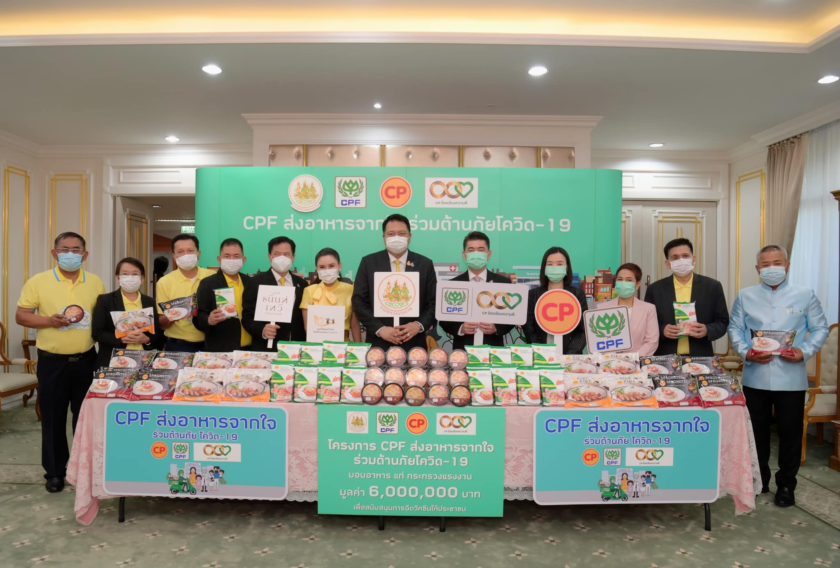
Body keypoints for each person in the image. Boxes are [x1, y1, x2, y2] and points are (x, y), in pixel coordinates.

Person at [728, 244, 828, 507]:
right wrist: (747, 352)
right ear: (757, 268)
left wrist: (804, 351)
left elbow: (820, 328)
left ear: (787, 265)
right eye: (766, 264)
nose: (771, 268)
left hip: (791, 377)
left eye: (777, 263)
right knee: (756, 432)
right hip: (755, 376)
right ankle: (758, 479)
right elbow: (735, 329)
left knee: (790, 434)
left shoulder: (805, 295)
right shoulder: (746, 295)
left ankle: (786, 485)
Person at [15, 231, 105, 493]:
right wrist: (48, 321)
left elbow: (101, 319)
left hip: (86, 360)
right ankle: (55, 472)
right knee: (53, 418)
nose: (70, 254)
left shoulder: (95, 282)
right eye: (65, 249)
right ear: (55, 253)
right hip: (52, 362)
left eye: (76, 250)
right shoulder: (38, 281)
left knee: (85, 418)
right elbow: (21, 315)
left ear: (85, 255)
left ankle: (83, 470)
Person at [352, 214, 437, 350]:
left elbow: (434, 302)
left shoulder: (424, 264)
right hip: (378, 343)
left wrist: (418, 325)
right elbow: (359, 301)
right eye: (391, 234)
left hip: (414, 344)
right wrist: (380, 329)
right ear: (384, 237)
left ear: (410, 237)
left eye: (402, 233)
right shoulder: (369, 263)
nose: (396, 237)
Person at [644, 237, 729, 356]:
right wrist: (662, 330)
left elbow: (723, 322)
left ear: (693, 259)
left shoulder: (712, 287)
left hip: (701, 357)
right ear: (668, 264)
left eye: (685, 256)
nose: (681, 260)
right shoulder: (655, 289)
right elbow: (646, 323)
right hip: (665, 357)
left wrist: (707, 330)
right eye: (675, 257)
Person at [440, 231, 513, 350]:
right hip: (462, 352)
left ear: (489, 254)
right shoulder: (452, 285)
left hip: (494, 350)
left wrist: (496, 328)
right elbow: (444, 320)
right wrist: (461, 328)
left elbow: (512, 317)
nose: (476, 253)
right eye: (471, 250)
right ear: (464, 255)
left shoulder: (503, 283)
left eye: (481, 249)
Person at [91, 257, 159, 369]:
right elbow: (97, 333)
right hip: (113, 362)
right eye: (125, 274)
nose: (130, 277)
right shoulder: (105, 300)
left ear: (142, 279)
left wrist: (147, 340)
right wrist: (121, 338)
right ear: (118, 278)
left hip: (144, 362)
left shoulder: (149, 302)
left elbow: (157, 333)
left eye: (135, 274)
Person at [242, 236, 307, 350]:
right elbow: (247, 318)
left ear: (293, 257)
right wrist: (262, 330)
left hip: (296, 348)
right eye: (277, 254)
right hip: (266, 349)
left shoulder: (302, 284)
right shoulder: (255, 282)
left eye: (286, 254)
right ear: (270, 256)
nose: (282, 258)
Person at [155, 233, 214, 352]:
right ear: (174, 255)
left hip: (211, 343)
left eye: (190, 251)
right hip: (177, 346)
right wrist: (172, 316)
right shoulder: (164, 282)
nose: (186, 255)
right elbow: (162, 323)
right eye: (180, 251)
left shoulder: (212, 276)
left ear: (199, 253)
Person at [523, 246, 587, 353]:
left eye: (559, 264)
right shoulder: (533, 295)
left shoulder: (577, 294)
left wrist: (569, 354)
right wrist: (541, 352)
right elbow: (529, 328)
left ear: (567, 267)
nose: (554, 267)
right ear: (544, 268)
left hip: (570, 356)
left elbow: (583, 330)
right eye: (550, 264)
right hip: (540, 355)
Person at [194, 238, 253, 352]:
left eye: (236, 256)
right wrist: (208, 319)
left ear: (244, 259)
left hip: (249, 349)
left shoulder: (250, 282)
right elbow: (198, 316)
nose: (231, 260)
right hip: (220, 350)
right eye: (227, 256)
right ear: (219, 259)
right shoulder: (207, 283)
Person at [300, 248, 361, 342]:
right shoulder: (309, 291)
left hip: (343, 345)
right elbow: (308, 327)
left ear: (339, 266)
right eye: (322, 267)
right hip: (317, 345)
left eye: (331, 266)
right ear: (317, 269)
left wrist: (359, 347)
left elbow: (355, 325)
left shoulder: (350, 289)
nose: (327, 270)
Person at [597, 262, 658, 356]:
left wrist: (633, 358)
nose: (623, 283)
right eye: (620, 279)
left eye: (629, 280)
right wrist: (612, 358)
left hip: (638, 361)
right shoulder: (602, 308)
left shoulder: (648, 309)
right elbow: (598, 340)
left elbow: (652, 341)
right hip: (609, 361)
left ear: (637, 284)